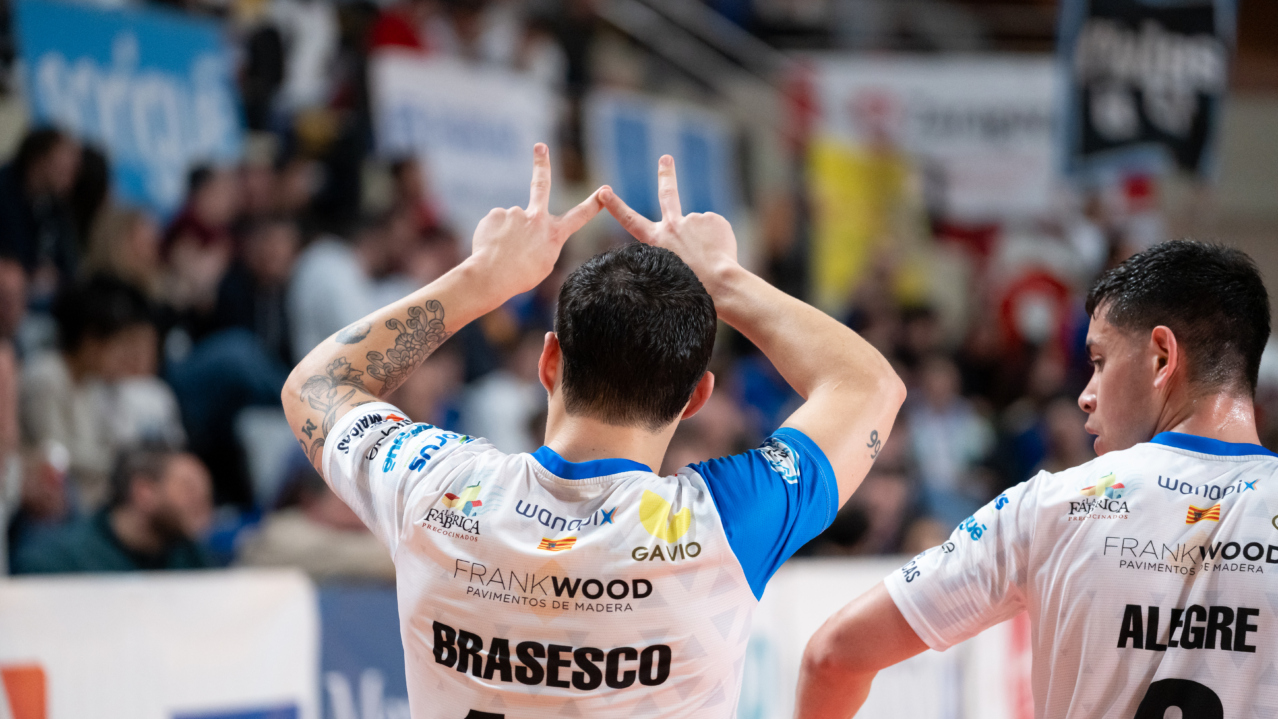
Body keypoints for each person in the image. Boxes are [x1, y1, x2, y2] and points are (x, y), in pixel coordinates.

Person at [281, 145, 905, 717]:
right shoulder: (723, 525)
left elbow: (314, 387)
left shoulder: (435, 486)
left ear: (549, 361)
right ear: (697, 398)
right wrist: (723, 280)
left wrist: (484, 278)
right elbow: (870, 387)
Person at [796, 241, 1278, 718]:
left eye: (1099, 362)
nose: (1086, 395)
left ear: (1161, 357)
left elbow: (832, 656)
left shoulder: (1053, 504)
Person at [12, 447, 213, 574]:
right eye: (189, 488)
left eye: (206, 493)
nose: (201, 501)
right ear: (144, 492)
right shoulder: (63, 562)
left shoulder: (189, 555)